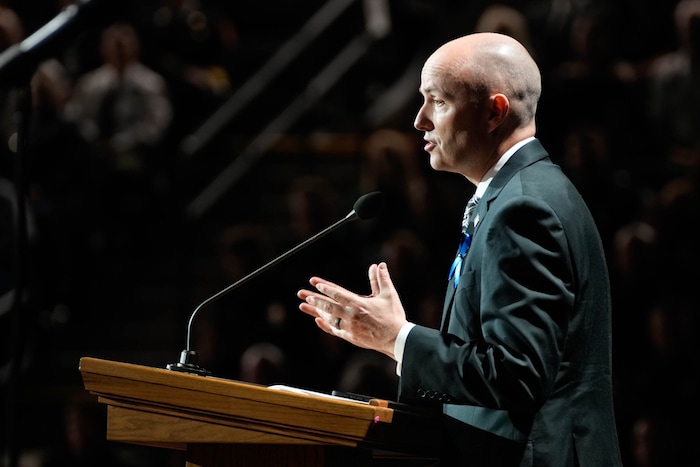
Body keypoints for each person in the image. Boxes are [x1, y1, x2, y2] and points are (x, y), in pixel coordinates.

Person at [297, 32, 622, 466]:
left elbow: (517, 376)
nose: (419, 120)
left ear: (494, 112)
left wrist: (397, 338)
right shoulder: (516, 194)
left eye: (439, 101)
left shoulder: (524, 208)